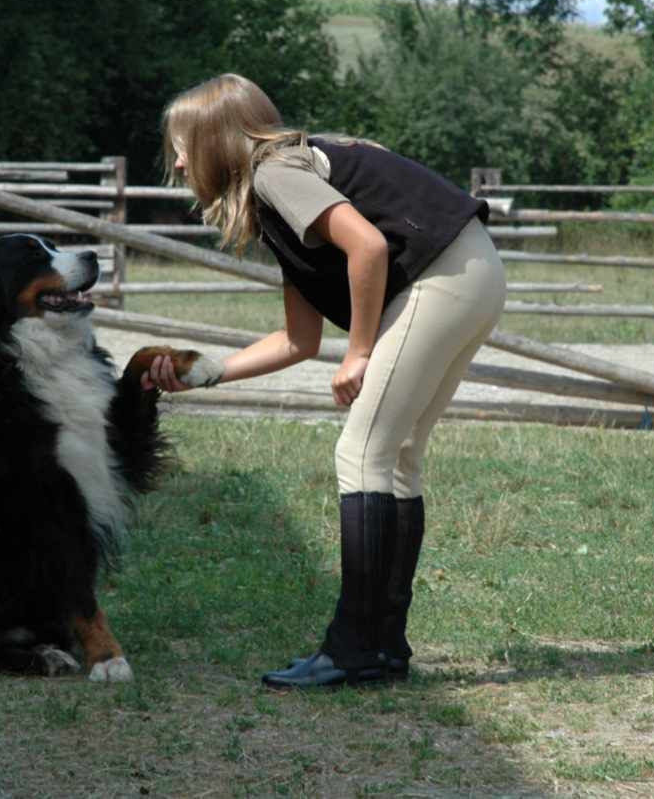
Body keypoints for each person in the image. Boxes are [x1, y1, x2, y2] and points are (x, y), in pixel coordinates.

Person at [143, 73, 507, 689]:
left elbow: (368, 248)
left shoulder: (275, 175)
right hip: (474, 271)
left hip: (444, 277)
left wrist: (359, 351)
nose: (178, 163)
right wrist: (206, 373)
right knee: (396, 457)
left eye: (182, 147)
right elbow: (298, 340)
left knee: (360, 453)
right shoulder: (284, 188)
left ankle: (352, 650)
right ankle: (383, 647)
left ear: (214, 141)